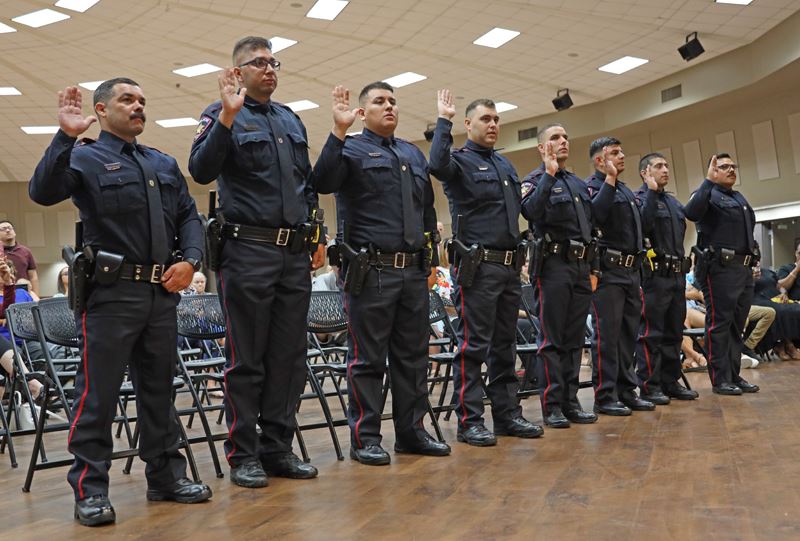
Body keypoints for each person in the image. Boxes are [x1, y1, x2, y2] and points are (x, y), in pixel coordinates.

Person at [29, 79, 211, 526]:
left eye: (142, 101)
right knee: (97, 396)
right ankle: (90, 490)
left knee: (159, 391)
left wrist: (190, 260)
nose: (138, 106)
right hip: (111, 296)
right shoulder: (84, 156)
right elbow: (42, 191)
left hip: (161, 292)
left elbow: (190, 216)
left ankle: (166, 477)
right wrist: (65, 135)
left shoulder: (162, 162)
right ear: (101, 109)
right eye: (127, 100)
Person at [189, 36, 322, 487]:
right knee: (247, 358)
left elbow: (304, 184)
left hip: (293, 253)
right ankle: (243, 453)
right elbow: (202, 170)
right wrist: (227, 117)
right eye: (258, 63)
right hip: (247, 250)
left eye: (273, 62)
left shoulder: (290, 119)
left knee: (289, 356)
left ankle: (278, 449)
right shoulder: (220, 112)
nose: (269, 69)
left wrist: (314, 229)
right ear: (237, 71)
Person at [313, 81, 450, 465]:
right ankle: (365, 438)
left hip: (412, 273)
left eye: (392, 101)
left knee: (413, 358)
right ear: (362, 111)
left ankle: (412, 433)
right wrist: (338, 131)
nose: (388, 106)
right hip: (370, 271)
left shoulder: (411, 152)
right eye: (379, 101)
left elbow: (426, 210)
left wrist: (432, 260)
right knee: (368, 360)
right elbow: (321, 182)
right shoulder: (350, 148)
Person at [429, 90, 542, 445]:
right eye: (485, 120)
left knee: (505, 346)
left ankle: (508, 415)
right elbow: (436, 165)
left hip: (509, 267)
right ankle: (470, 421)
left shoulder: (505, 165)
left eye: (496, 120)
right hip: (478, 269)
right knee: (473, 346)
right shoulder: (459, 161)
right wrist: (443, 122)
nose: (493, 125)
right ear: (468, 124)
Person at [520, 123, 600, 428]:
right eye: (555, 138)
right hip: (552, 267)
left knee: (574, 339)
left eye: (566, 136)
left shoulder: (579, 185)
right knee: (552, 340)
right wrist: (549, 173)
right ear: (542, 148)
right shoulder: (534, 180)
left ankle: (570, 400)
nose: (563, 141)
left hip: (580, 268)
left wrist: (594, 268)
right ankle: (552, 405)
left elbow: (590, 230)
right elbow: (531, 212)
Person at [586, 137, 657, 415]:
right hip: (608, 272)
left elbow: (645, 226)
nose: (622, 155)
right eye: (615, 152)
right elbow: (596, 216)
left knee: (629, 335)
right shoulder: (593, 187)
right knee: (607, 336)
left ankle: (627, 391)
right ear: (599, 160)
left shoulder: (627, 192)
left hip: (631, 272)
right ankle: (605, 396)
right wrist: (610, 180)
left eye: (621, 150)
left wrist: (650, 193)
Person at [684, 153, 759, 395]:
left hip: (743, 270)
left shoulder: (738, 197)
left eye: (732, 166)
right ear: (712, 171)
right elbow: (692, 213)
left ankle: (734, 375)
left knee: (737, 326)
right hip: (719, 270)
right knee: (719, 325)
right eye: (723, 167)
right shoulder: (706, 194)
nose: (730, 170)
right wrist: (707, 182)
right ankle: (720, 379)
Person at [634, 153, 698, 402]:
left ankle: (671, 381)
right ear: (645, 172)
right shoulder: (640, 199)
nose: (665, 170)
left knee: (674, 332)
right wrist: (650, 192)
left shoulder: (673, 203)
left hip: (676, 276)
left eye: (666, 165)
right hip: (654, 277)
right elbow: (642, 225)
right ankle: (650, 386)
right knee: (652, 334)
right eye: (658, 166)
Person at [0, 220, 39, 296]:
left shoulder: (26, 251)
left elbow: (33, 276)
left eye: (10, 228)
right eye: (3, 229)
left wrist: (36, 296)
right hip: (2, 294)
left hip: (24, 293)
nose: (7, 230)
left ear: (14, 232)